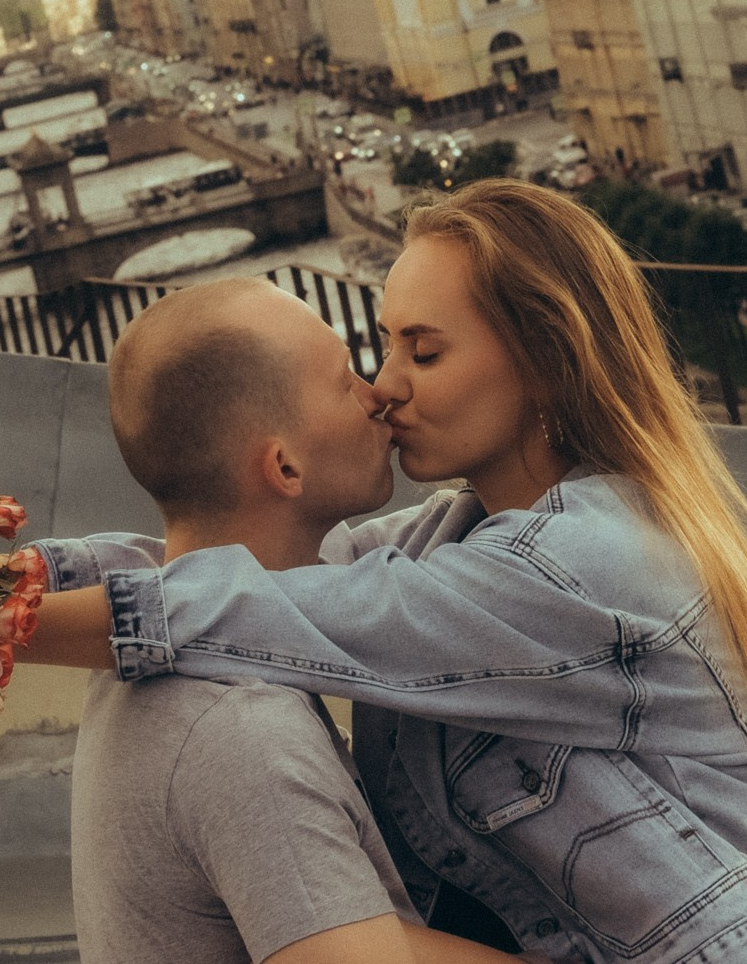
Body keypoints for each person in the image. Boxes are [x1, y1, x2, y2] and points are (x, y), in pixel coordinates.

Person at [26, 181, 747, 962]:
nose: (385, 385)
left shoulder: (574, 562)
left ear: (544, 361)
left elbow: (248, 603)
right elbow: (268, 579)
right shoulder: (455, 537)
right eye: (384, 345)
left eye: (422, 351)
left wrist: (0, 626)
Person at [60, 276, 509, 964]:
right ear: (285, 466)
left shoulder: (169, 652)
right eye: (343, 379)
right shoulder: (240, 725)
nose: (376, 394)